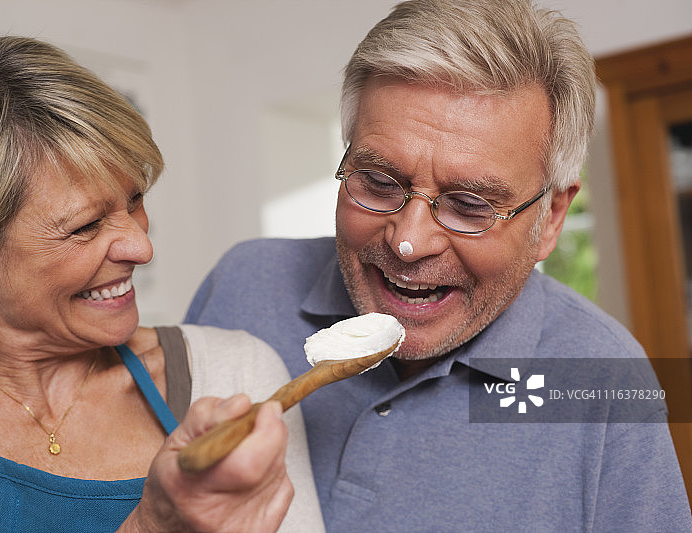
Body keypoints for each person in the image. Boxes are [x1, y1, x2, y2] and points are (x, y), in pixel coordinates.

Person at [185, 0, 692, 531]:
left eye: (469, 205)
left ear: (551, 219)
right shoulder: (242, 284)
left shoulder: (602, 378)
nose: (408, 242)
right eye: (377, 182)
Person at [0, 35, 325, 533]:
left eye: (135, 201)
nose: (141, 248)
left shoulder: (234, 374)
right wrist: (153, 525)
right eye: (86, 226)